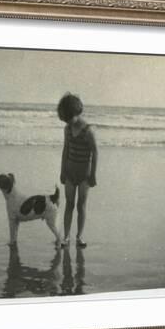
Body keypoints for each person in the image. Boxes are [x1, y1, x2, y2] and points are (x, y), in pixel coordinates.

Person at [58, 92, 98, 248]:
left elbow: (95, 152)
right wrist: (62, 171)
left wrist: (93, 175)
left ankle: (79, 236)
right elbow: (65, 150)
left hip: (84, 175)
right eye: (65, 120)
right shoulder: (67, 129)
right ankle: (66, 236)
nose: (67, 122)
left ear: (77, 112)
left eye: (69, 118)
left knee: (81, 205)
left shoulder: (88, 130)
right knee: (69, 204)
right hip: (69, 173)